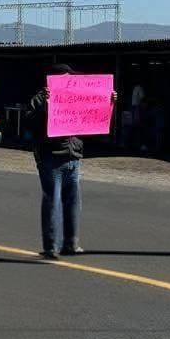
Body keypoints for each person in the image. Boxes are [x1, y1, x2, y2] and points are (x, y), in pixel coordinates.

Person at [23, 64, 117, 259]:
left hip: (73, 156)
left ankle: (71, 243)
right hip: (50, 158)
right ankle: (51, 247)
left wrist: (109, 101)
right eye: (66, 78)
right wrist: (45, 105)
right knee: (52, 202)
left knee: (73, 202)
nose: (70, 82)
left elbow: (94, 115)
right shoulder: (40, 98)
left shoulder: (76, 96)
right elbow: (29, 124)